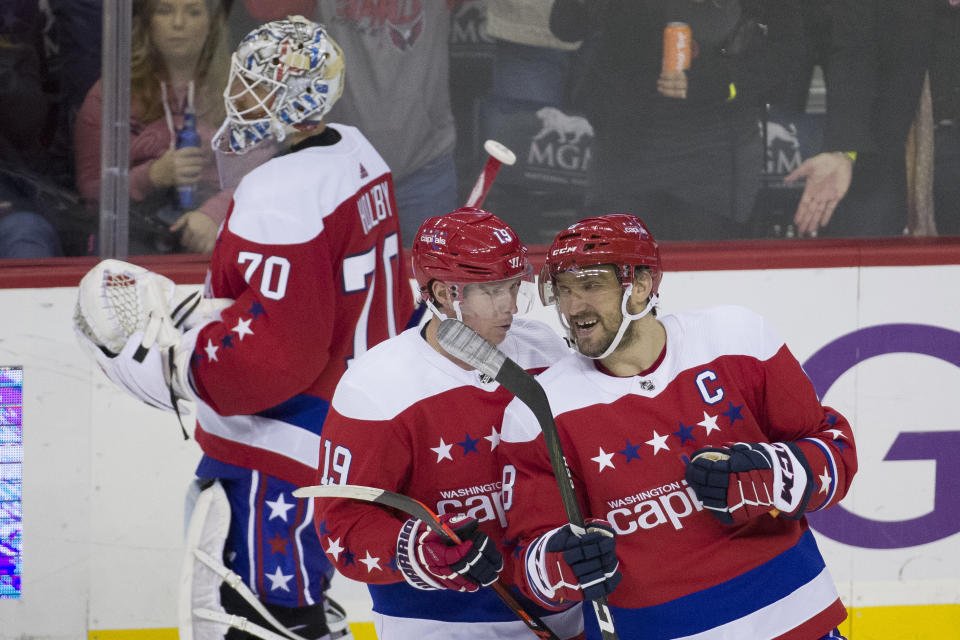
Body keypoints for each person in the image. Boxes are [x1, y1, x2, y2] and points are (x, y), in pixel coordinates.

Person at [74, 15, 415, 639]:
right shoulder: (356, 152)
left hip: (282, 446)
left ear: (300, 99)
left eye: (260, 84)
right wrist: (222, 319)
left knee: (257, 613)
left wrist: (185, 364)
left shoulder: (280, 191)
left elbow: (274, 357)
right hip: (350, 430)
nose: (241, 94)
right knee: (302, 599)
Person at [498, 213, 858, 639]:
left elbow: (836, 456)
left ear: (643, 285)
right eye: (564, 291)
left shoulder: (736, 340)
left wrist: (772, 472)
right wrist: (560, 564)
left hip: (794, 622)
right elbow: (531, 563)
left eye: (591, 286)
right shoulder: (536, 411)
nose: (574, 307)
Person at [309, 209, 582, 638]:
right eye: (492, 292)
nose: (510, 306)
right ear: (442, 293)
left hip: (561, 612)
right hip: (439, 625)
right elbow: (342, 525)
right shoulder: (377, 387)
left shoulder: (542, 349)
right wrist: (417, 553)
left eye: (514, 287)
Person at [549, 0, 808, 241]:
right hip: (626, 144)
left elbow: (786, 50)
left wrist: (719, 83)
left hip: (714, 153)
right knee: (616, 274)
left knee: (700, 273)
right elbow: (566, 25)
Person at [236, 0, 459, 244]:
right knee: (343, 275)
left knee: (431, 275)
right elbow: (263, 9)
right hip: (341, 170)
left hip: (423, 164)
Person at [74, 0, 232, 254]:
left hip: (221, 231)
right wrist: (151, 176)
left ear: (212, 24)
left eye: (193, 12)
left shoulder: (240, 89)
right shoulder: (112, 92)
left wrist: (214, 214)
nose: (178, 23)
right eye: (165, 10)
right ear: (147, 23)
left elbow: (265, 176)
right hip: (136, 236)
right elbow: (90, 193)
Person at [787, 0, 938, 237]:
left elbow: (854, 47)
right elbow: (852, 45)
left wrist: (844, 147)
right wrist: (844, 149)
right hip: (878, 146)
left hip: (891, 147)